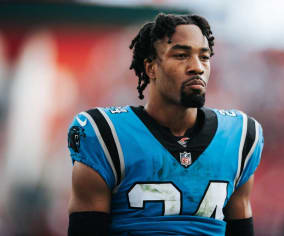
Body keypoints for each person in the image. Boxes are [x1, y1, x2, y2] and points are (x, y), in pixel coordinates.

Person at [67, 13, 263, 236]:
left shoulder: (239, 135)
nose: (197, 67)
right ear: (151, 68)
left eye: (204, 57)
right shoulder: (105, 134)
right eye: (181, 55)